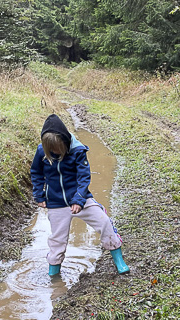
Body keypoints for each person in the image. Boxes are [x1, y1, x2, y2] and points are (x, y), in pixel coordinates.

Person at [30, 114, 130, 276]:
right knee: (57, 240)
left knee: (104, 222)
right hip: (55, 203)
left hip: (81, 199)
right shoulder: (41, 152)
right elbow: (36, 173)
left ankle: (119, 259)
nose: (54, 152)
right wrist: (39, 195)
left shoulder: (77, 151)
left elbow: (84, 178)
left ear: (65, 142)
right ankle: (54, 274)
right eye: (51, 150)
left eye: (57, 148)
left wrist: (78, 199)